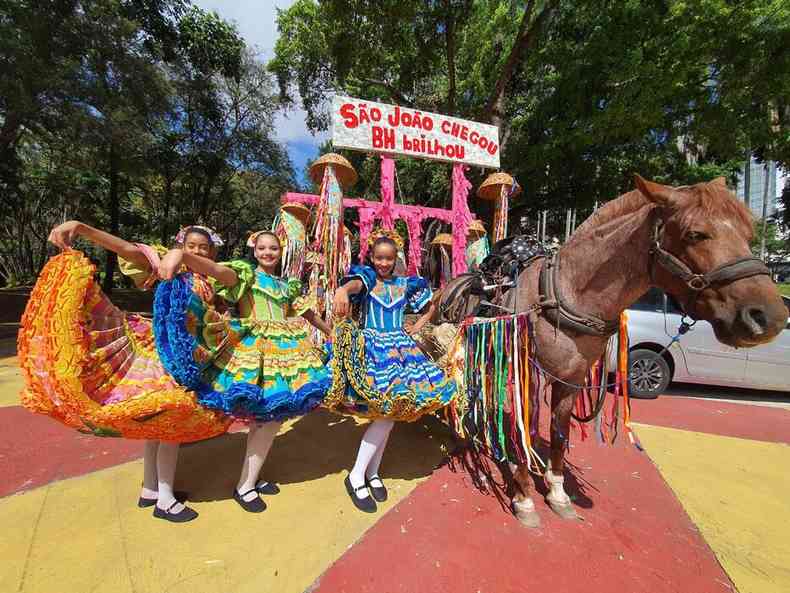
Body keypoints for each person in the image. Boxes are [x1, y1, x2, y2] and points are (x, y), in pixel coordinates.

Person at [19, 221, 231, 523]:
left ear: (212, 251)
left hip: (190, 356)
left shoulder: (213, 277)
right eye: (191, 246)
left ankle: (150, 489)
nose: (197, 251)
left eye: (204, 247)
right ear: (181, 246)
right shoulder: (166, 265)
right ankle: (166, 500)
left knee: (158, 424)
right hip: (164, 356)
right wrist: (81, 228)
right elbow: (128, 250)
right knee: (173, 422)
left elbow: (227, 278)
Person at [156, 230, 331, 513]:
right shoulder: (246, 276)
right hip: (254, 351)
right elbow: (216, 269)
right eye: (262, 248)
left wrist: (332, 332)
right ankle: (246, 485)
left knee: (269, 417)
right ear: (254, 250)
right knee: (267, 418)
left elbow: (308, 314)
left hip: (287, 353)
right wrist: (180, 255)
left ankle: (251, 478)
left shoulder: (288, 285)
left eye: (273, 248)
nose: (267, 253)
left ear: (281, 251)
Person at [327, 229, 457, 513]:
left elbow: (429, 307)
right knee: (385, 414)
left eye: (389, 258)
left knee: (392, 414)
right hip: (374, 348)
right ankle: (357, 475)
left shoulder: (407, 284)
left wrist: (418, 326)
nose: (384, 263)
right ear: (372, 258)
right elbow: (351, 288)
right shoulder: (366, 278)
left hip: (401, 349)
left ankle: (371, 473)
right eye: (379, 258)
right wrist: (341, 290)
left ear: (396, 258)